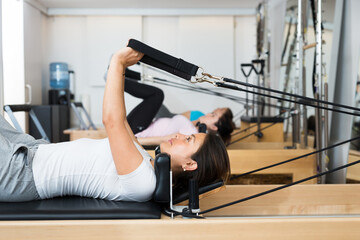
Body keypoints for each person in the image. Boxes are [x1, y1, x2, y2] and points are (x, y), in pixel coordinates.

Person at [0, 45, 231, 202]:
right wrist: (121, 73)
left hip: (18, 173)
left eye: (189, 139)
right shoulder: (145, 163)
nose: (181, 135)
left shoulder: (143, 182)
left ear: (190, 165)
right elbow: (124, 125)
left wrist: (118, 63)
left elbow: (113, 121)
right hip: (29, 150)